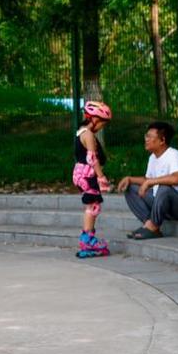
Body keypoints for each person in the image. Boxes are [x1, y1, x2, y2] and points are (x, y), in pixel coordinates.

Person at [116, 121, 178, 239]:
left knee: (164, 187)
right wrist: (129, 178)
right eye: (146, 136)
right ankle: (149, 224)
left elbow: (176, 178)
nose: (146, 139)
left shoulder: (174, 155)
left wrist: (150, 182)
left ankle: (153, 227)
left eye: (149, 136)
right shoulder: (153, 157)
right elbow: (147, 179)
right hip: (163, 204)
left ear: (162, 140)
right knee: (131, 188)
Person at [72, 101, 113, 258]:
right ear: (94, 119)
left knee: (92, 205)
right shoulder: (88, 134)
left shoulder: (80, 132)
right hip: (87, 174)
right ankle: (87, 240)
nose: (102, 126)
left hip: (81, 173)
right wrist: (101, 176)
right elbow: (92, 158)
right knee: (93, 206)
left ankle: (88, 238)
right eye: (102, 122)